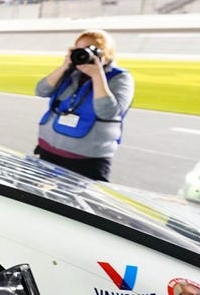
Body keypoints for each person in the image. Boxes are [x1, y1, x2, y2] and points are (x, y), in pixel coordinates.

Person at [34, 29, 134, 181]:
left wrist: (97, 75)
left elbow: (108, 112)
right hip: (47, 151)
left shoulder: (120, 78)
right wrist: (64, 66)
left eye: (89, 49)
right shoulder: (70, 72)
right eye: (78, 49)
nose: (83, 53)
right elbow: (41, 90)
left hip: (85, 161)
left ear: (104, 53)